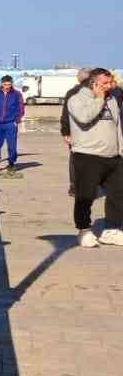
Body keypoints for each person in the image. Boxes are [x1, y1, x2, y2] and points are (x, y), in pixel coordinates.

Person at [68, 69, 123, 247]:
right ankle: (84, 230)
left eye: (110, 82)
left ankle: (112, 230)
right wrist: (99, 99)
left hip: (113, 156)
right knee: (86, 195)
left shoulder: (112, 100)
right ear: (94, 83)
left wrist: (120, 149)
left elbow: (117, 127)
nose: (109, 86)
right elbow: (85, 118)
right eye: (105, 83)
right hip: (88, 155)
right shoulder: (76, 99)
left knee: (118, 193)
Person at [61, 68, 93, 196]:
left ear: (78, 78)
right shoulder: (94, 92)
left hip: (75, 132)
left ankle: (74, 186)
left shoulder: (71, 92)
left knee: (75, 159)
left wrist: (65, 132)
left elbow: (65, 114)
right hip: (91, 131)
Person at [0, 74, 26, 176]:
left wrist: (16, 120)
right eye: (5, 84)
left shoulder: (17, 94)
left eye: (9, 84)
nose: (7, 86)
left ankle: (11, 164)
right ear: (2, 84)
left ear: (11, 84)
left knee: (12, 145)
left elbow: (21, 108)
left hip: (10, 123)